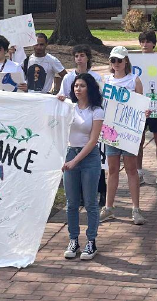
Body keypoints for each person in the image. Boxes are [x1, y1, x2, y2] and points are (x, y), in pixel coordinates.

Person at [99, 46, 146, 225]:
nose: (116, 64)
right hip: (111, 131)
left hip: (128, 132)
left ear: (126, 61)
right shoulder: (107, 81)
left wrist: (144, 113)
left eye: (119, 60)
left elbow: (140, 106)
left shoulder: (135, 80)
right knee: (112, 170)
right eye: (113, 60)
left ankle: (136, 209)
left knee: (131, 169)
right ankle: (109, 207)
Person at [62, 73, 104, 261]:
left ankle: (91, 241)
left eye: (82, 86)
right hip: (70, 154)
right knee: (71, 203)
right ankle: (73, 239)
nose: (78, 89)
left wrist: (75, 161)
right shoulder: (68, 108)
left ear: (90, 89)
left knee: (90, 202)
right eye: (76, 86)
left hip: (88, 158)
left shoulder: (96, 111)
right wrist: (56, 101)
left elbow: (93, 140)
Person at [136, 31, 157, 188]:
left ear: (154, 43)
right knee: (138, 140)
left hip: (156, 105)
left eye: (148, 41)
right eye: (142, 41)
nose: (145, 44)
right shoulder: (133, 62)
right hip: (140, 105)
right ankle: (139, 172)